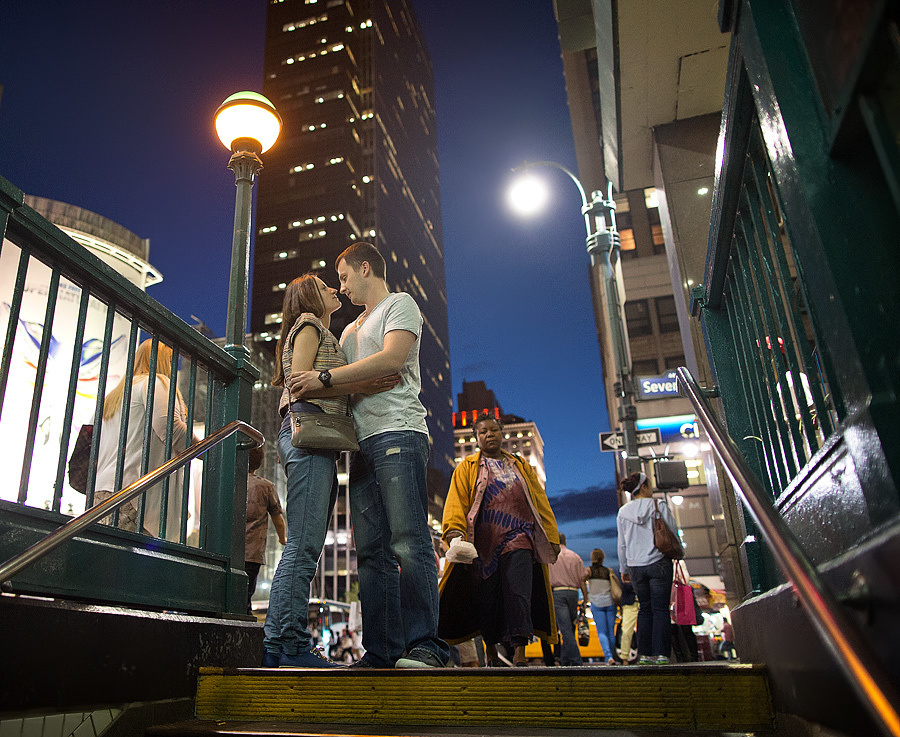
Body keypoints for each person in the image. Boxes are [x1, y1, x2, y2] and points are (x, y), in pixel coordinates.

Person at [290, 243, 450, 669]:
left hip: (399, 432)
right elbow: (351, 383)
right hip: (361, 444)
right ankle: (382, 651)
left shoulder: (400, 304)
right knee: (372, 553)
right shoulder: (345, 333)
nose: (340, 288)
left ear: (366, 268)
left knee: (409, 541)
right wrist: (339, 381)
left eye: (343, 277)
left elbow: (393, 359)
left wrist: (325, 377)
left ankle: (426, 646)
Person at [263, 273, 398, 668]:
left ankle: (280, 642)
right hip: (306, 436)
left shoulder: (319, 330)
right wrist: (366, 386)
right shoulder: (308, 324)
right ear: (309, 296)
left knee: (306, 544)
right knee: (302, 545)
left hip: (316, 441)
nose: (335, 290)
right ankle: (288, 644)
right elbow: (301, 384)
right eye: (326, 286)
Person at [438, 414, 561, 667]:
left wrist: (551, 536)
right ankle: (491, 649)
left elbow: (540, 502)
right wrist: (453, 532)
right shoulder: (467, 468)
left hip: (520, 537)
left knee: (519, 593)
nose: (489, 434)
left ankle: (519, 653)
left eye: (493, 430)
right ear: (476, 437)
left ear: (501, 433)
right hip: (482, 544)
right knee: (487, 596)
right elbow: (455, 502)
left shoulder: (522, 466)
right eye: (483, 432)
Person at [94, 338, 189, 541]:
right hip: (135, 494)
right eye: (172, 360)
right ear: (163, 359)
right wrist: (206, 449)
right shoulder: (157, 383)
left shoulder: (116, 394)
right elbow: (170, 428)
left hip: (104, 491)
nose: (174, 366)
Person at [616, 471, 677, 665]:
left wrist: (623, 568)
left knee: (644, 609)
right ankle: (661, 654)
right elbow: (672, 533)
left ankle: (644, 654)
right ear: (643, 487)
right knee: (661, 609)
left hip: (636, 568)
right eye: (649, 485)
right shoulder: (659, 505)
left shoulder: (623, 512)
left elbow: (622, 544)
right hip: (659, 563)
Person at [244, 443, 286, 615]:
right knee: (247, 591)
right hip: (253, 552)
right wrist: (282, 539)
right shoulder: (266, 487)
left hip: (230, 550)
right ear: (260, 462)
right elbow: (278, 518)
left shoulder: (231, 481)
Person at [547, 533, 588, 666]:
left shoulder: (552, 557)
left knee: (565, 629)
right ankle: (565, 661)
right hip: (573, 593)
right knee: (570, 627)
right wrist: (585, 599)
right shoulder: (575, 557)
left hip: (558, 593)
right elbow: (582, 580)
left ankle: (576, 661)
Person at [585, 548, 621, 665]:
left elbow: (581, 580)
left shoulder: (589, 571)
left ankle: (608, 656)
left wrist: (586, 595)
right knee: (611, 631)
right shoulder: (608, 571)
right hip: (610, 602)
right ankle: (610, 657)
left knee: (601, 631)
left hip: (596, 603)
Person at [618, 577, 639, 663]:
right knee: (626, 631)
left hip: (645, 602)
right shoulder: (626, 567)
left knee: (646, 630)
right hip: (630, 603)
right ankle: (625, 658)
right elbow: (625, 585)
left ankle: (647, 655)